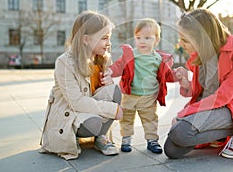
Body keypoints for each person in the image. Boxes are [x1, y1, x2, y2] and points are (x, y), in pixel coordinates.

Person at [164, 8, 233, 161]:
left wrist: (185, 113)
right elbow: (203, 90)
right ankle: (218, 136)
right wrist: (186, 83)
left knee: (180, 132)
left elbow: (224, 95)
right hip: (211, 106)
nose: (180, 44)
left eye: (185, 40)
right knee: (171, 150)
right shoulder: (200, 53)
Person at [39, 10, 123, 160]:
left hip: (90, 107)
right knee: (94, 122)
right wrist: (113, 109)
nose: (109, 43)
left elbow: (99, 94)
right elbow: (76, 102)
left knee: (114, 90)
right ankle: (70, 139)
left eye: (109, 38)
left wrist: (107, 84)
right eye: (104, 38)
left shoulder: (101, 60)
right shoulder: (64, 63)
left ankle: (100, 138)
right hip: (72, 111)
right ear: (86, 39)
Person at [108, 18, 175, 154]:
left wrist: (177, 76)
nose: (142, 41)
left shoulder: (158, 59)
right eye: (138, 38)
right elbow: (119, 65)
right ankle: (126, 138)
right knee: (126, 118)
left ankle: (152, 140)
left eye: (147, 38)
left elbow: (165, 75)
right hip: (130, 94)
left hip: (149, 96)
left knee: (150, 119)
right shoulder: (131, 54)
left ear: (156, 40)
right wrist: (111, 71)